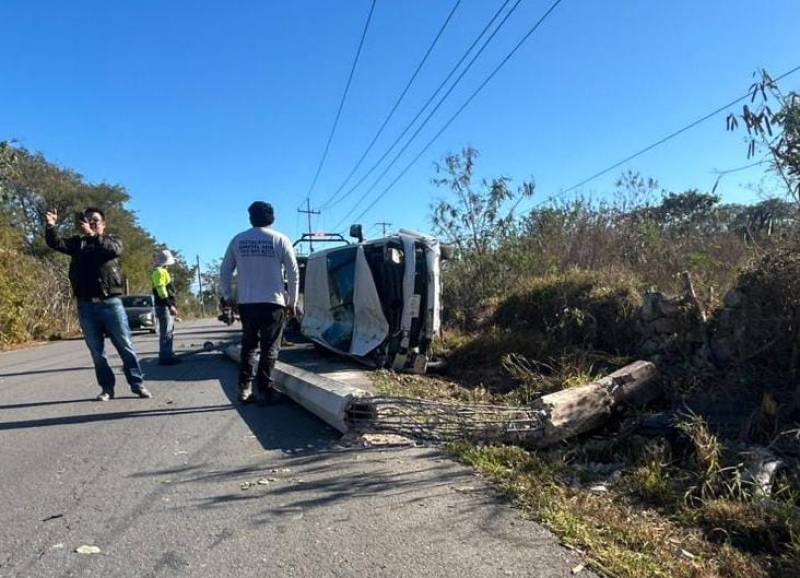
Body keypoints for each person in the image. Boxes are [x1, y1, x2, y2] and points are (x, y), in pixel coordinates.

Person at [44, 207, 152, 401]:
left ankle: (137, 384)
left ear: (103, 223)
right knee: (97, 352)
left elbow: (112, 250)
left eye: (95, 220)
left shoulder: (112, 240)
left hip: (111, 304)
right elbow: (56, 243)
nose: (91, 223)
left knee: (125, 347)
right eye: (88, 220)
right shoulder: (79, 243)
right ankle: (107, 388)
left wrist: (93, 235)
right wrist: (51, 225)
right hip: (86, 305)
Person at [220, 201, 298, 404]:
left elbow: (225, 270)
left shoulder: (238, 240)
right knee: (269, 347)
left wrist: (228, 297)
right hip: (274, 302)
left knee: (249, 345)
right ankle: (264, 390)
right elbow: (293, 272)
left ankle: (244, 388)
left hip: (246, 302)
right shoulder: (280, 239)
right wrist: (292, 301)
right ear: (272, 218)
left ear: (250, 218)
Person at [151, 249, 181, 365]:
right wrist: (170, 306)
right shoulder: (159, 272)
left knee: (168, 331)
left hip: (163, 306)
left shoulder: (160, 271)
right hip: (164, 306)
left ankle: (168, 354)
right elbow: (162, 290)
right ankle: (165, 357)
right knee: (166, 332)